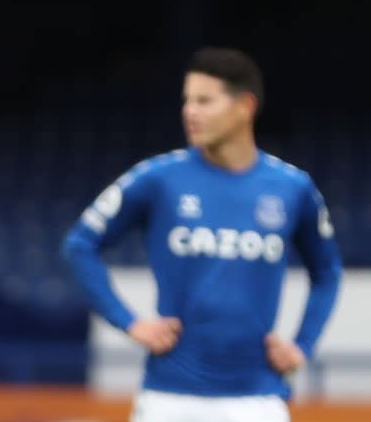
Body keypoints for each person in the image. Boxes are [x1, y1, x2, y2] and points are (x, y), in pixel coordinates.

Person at [62, 47, 342, 422]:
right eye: (187, 100)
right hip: (168, 398)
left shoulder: (292, 187)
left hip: (257, 400)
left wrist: (302, 346)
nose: (189, 111)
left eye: (204, 100)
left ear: (245, 106)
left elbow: (327, 271)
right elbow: (80, 245)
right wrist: (130, 323)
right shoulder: (158, 178)